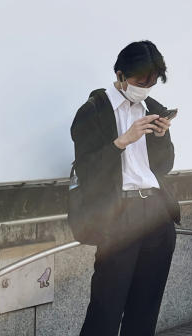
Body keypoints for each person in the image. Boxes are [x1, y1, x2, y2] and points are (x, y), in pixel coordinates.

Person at [71, 41, 179, 336]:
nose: (145, 89)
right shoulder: (93, 111)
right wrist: (122, 141)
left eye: (152, 83)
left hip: (157, 212)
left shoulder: (154, 109)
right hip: (119, 215)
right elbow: (87, 170)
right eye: (140, 82)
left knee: (145, 310)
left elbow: (164, 166)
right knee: (105, 309)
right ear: (120, 75)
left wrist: (159, 137)